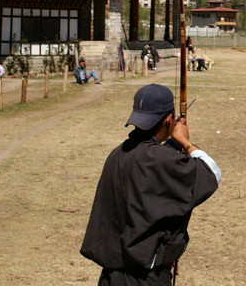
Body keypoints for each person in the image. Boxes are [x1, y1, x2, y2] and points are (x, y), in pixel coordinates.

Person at [81, 84, 221, 286]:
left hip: (111, 276)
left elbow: (152, 165)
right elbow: (211, 173)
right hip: (146, 278)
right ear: (168, 119)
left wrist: (173, 144)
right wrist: (184, 141)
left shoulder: (118, 153)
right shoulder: (159, 159)